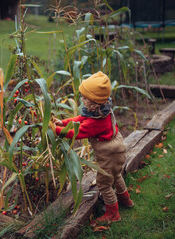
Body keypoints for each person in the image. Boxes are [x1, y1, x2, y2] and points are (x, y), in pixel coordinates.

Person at [54, 71, 134, 224]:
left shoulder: (95, 123)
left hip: (108, 154)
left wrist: (56, 130)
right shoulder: (102, 110)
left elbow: (76, 133)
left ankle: (113, 214)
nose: (81, 99)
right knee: (116, 175)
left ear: (93, 101)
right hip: (117, 149)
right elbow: (80, 118)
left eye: (84, 97)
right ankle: (126, 200)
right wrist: (63, 122)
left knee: (104, 184)